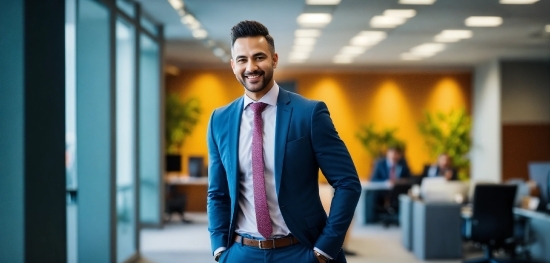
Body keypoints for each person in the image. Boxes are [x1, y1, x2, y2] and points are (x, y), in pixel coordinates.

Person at [207, 20, 361, 263]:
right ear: (233, 65)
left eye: (259, 57)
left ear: (274, 59)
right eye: (242, 60)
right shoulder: (220, 120)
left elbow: (347, 184)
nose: (251, 67)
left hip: (300, 250)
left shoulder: (308, 114)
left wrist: (324, 250)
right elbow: (217, 192)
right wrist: (219, 248)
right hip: (241, 252)